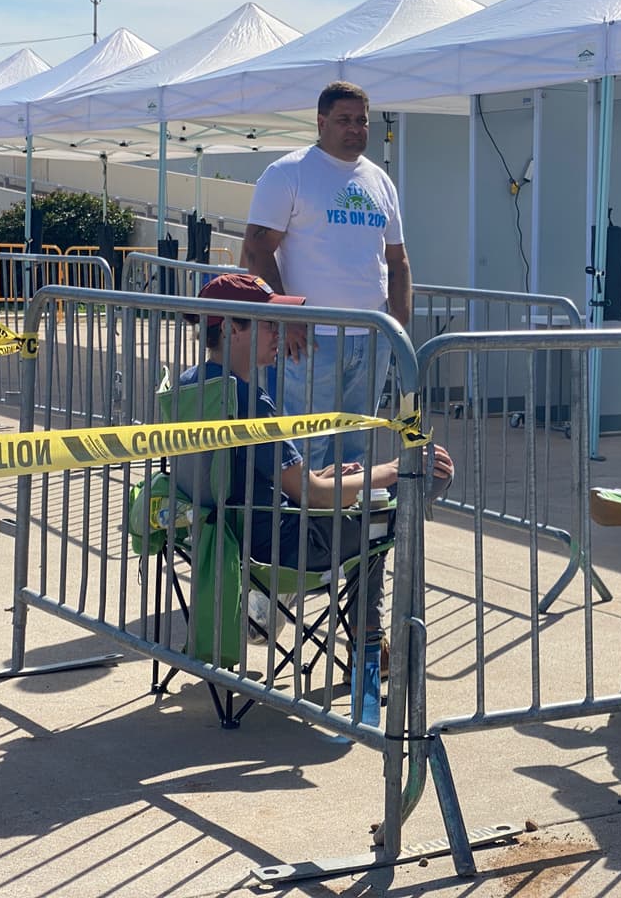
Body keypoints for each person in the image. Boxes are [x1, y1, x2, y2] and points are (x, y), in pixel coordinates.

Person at [172, 273, 452, 647]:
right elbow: (314, 496)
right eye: (269, 323)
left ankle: (286, 611)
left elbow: (241, 475)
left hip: (224, 536)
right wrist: (392, 470)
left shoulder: (190, 385)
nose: (280, 332)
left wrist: (324, 474)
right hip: (281, 546)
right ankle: (369, 643)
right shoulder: (249, 400)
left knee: (371, 501)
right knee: (420, 483)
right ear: (229, 330)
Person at [242, 80, 411, 468]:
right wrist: (288, 317)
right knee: (303, 448)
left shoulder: (380, 181)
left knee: (354, 447)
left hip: (370, 336)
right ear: (321, 122)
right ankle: (297, 527)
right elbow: (256, 249)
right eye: (344, 120)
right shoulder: (288, 173)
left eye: (362, 121)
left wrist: (396, 324)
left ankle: (341, 525)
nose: (355, 129)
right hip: (309, 337)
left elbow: (398, 258)